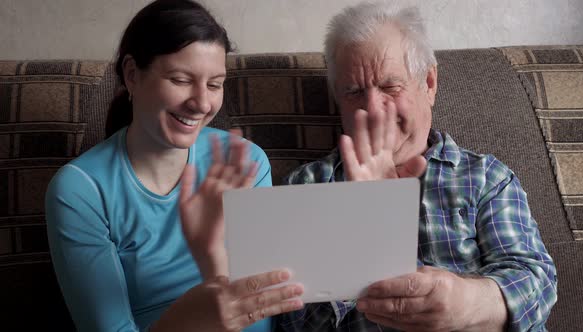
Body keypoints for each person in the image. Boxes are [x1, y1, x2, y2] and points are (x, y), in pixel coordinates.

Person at [276, 2, 557, 331]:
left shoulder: (485, 178)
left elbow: (534, 281)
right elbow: (291, 319)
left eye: (389, 86)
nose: (373, 109)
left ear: (429, 83)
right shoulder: (306, 186)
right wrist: (360, 234)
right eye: (353, 92)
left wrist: (467, 303)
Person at [45, 1, 303, 331]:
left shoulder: (246, 161)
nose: (202, 103)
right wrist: (191, 318)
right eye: (181, 80)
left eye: (214, 84)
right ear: (132, 75)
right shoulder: (80, 191)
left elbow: (265, 295)